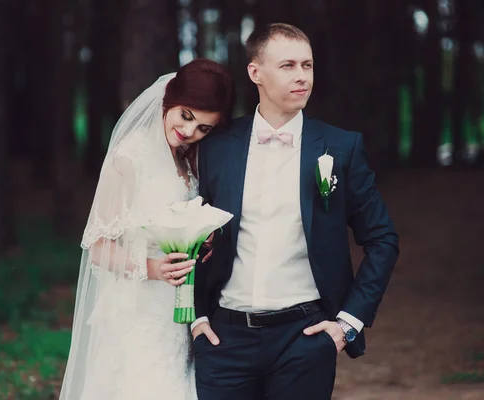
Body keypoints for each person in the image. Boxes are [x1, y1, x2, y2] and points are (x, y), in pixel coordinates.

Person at [192, 23, 399, 400]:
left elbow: (382, 239)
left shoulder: (341, 147)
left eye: (308, 65)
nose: (302, 76)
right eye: (288, 65)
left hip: (304, 339)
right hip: (223, 340)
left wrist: (347, 324)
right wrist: (197, 316)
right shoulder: (215, 147)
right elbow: (188, 236)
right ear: (256, 72)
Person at [58, 58, 235, 400]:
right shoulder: (130, 157)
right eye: (186, 115)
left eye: (203, 127)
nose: (190, 132)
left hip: (179, 313)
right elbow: (97, 245)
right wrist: (152, 268)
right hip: (137, 311)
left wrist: (202, 239)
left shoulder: (185, 159)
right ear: (169, 98)